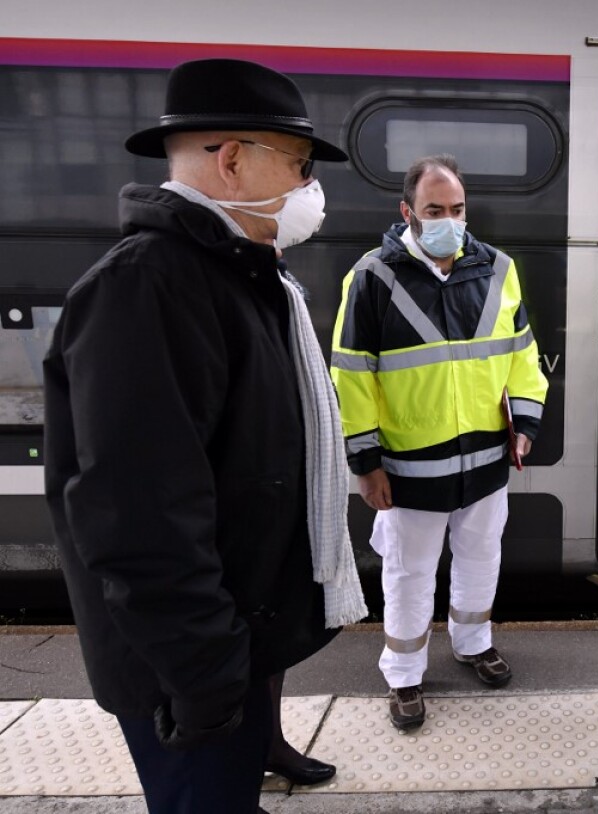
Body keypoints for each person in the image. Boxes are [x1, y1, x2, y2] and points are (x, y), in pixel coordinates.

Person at [43, 58, 367, 814]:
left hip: (227, 646)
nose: (308, 186)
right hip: (187, 668)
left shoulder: (237, 277)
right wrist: (206, 678)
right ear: (231, 160)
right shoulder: (148, 288)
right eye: (298, 163)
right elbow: (138, 518)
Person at [331, 154, 548, 732]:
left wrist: (524, 425)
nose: (448, 220)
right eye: (434, 210)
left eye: (457, 209)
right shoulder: (372, 277)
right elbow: (352, 378)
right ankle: (404, 675)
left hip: (484, 458)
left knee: (482, 557)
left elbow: (523, 355)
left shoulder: (498, 270)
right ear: (407, 212)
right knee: (409, 571)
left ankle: (473, 643)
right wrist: (366, 463)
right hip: (408, 466)